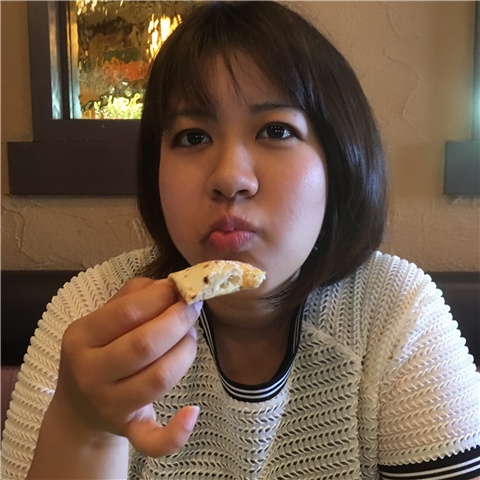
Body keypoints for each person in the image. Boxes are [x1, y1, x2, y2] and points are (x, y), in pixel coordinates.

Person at [2, 2, 479, 479]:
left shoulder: (393, 314)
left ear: (339, 162)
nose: (230, 178)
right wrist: (84, 427)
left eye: (276, 130)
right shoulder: (92, 311)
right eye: (192, 137)